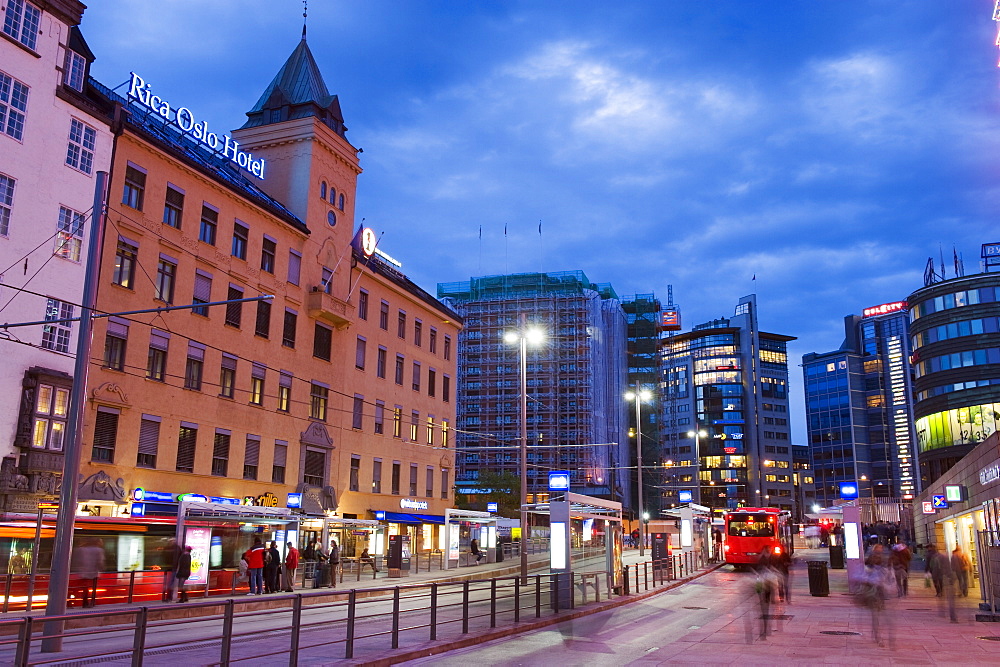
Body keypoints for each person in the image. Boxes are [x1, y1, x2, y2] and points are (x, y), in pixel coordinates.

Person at [71, 538, 105, 608]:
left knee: (85, 588)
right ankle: (92, 602)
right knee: (93, 588)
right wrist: (102, 569)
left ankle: (84, 602)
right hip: (94, 572)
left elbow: (77, 561)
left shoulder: (82, 549)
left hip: (83, 572)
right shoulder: (99, 550)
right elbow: (100, 562)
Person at [161, 537, 182, 602]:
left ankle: (168, 597)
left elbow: (163, 556)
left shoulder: (168, 548)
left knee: (170, 584)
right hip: (173, 568)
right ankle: (168, 597)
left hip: (171, 568)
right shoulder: (177, 548)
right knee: (171, 584)